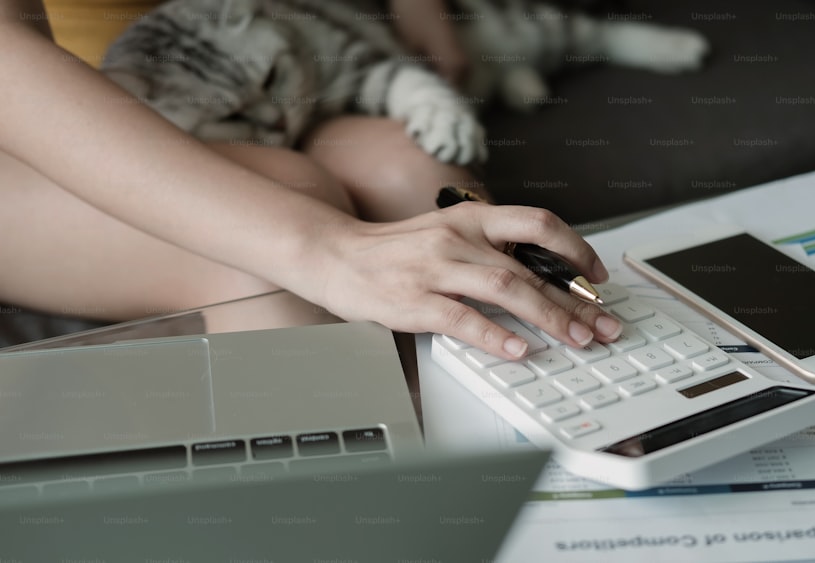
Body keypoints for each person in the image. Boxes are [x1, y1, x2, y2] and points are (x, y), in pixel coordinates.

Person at [0, 0, 624, 360]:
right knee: (263, 242)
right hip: (44, 114)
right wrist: (324, 249)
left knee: (413, 169)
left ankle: (555, 429)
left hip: (241, 72)